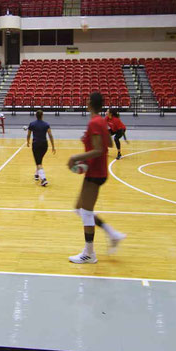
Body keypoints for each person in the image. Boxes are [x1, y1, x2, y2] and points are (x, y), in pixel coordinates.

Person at [66, 92, 126, 264]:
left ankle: (89, 253)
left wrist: (75, 157)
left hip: (95, 172)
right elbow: (109, 143)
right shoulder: (101, 121)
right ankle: (112, 234)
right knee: (79, 208)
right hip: (97, 170)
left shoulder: (94, 122)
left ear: (90, 103)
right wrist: (88, 140)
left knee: (85, 212)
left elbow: (100, 149)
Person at [26, 110, 55, 186]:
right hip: (44, 145)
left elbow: (28, 134)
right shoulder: (46, 124)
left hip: (36, 144)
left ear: (36, 116)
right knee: (39, 160)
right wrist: (53, 146)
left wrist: (28, 141)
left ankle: (43, 179)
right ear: (42, 115)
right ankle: (37, 175)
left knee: (38, 162)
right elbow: (50, 135)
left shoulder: (32, 124)